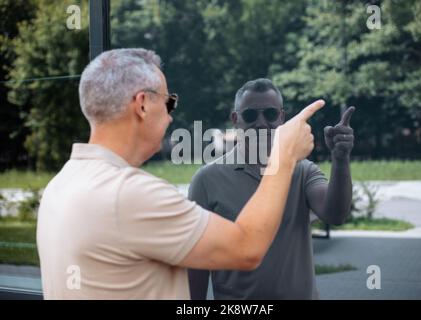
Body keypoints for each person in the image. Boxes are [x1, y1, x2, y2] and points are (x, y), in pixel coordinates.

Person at [36, 49, 325, 299]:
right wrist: (284, 156)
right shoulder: (132, 194)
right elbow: (247, 248)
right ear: (142, 105)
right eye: (168, 101)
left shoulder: (60, 185)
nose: (171, 115)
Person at [188, 78, 355, 299]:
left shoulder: (302, 170)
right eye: (250, 115)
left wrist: (340, 159)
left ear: (282, 118)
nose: (261, 123)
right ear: (236, 119)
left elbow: (335, 214)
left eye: (270, 114)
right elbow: (197, 261)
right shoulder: (206, 179)